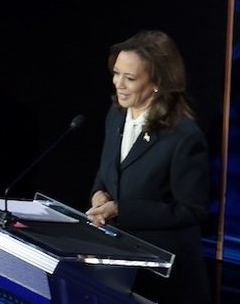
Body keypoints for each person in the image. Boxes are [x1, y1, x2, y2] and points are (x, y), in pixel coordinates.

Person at [86, 30, 210, 303]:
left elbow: (191, 210)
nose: (119, 84)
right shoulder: (117, 114)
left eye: (129, 78)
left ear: (157, 82)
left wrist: (121, 209)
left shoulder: (184, 136)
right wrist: (99, 193)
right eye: (116, 73)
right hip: (119, 268)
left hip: (164, 280)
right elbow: (109, 171)